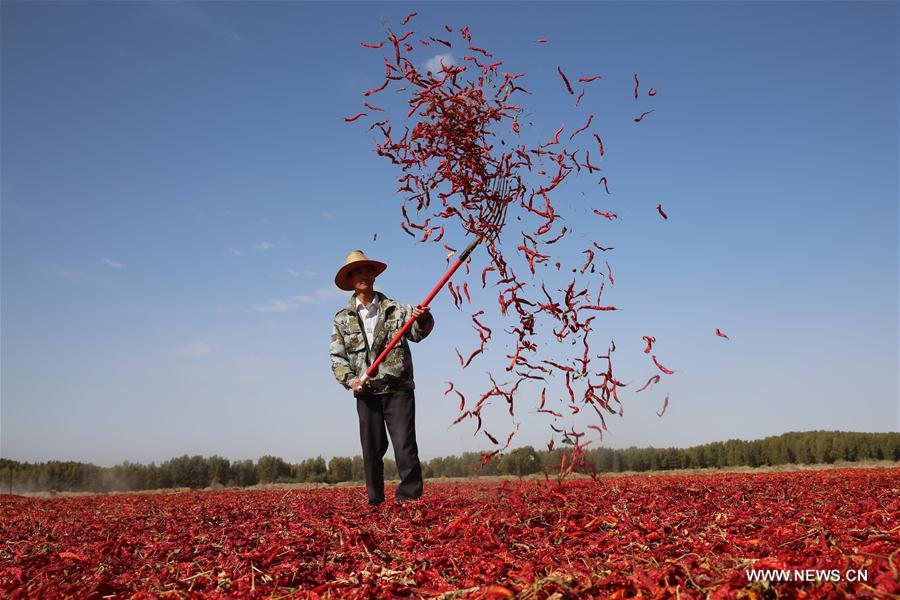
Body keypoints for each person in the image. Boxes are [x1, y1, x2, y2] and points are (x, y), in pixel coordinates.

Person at [329, 250, 434, 506]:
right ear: (350, 279)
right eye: (356, 272)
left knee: (405, 446)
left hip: (397, 388)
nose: (362, 275)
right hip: (366, 392)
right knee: (372, 451)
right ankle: (376, 502)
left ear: (374, 275)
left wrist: (425, 318)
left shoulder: (397, 310)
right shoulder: (342, 319)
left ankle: (409, 500)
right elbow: (337, 358)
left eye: (366, 270)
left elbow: (419, 334)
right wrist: (351, 380)